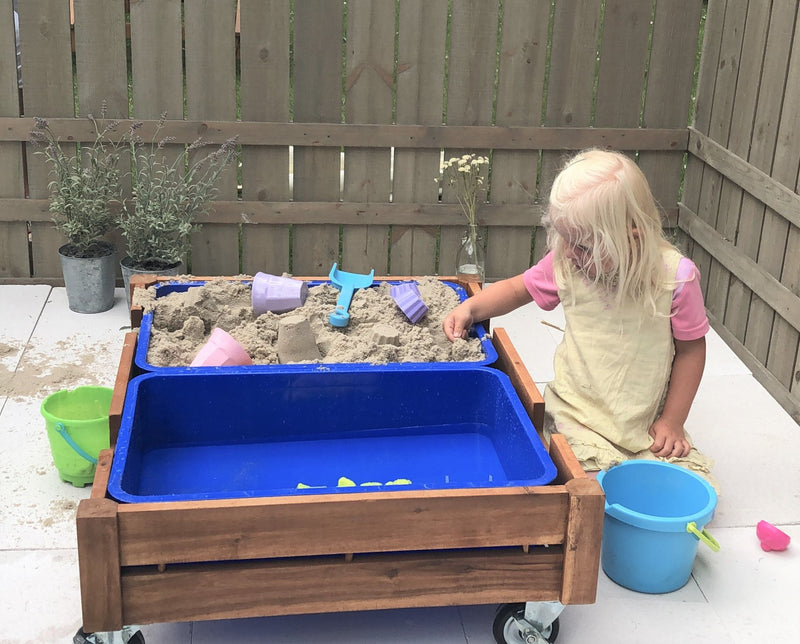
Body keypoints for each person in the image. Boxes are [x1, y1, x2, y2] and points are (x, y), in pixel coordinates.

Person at [443, 149, 716, 486]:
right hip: (578, 412)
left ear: (631, 237)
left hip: (643, 420)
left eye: (584, 246)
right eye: (565, 239)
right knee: (586, 484)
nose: (570, 252)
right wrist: (471, 308)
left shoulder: (674, 278)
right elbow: (517, 289)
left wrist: (673, 421)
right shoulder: (569, 263)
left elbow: (691, 351)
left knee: (683, 488)